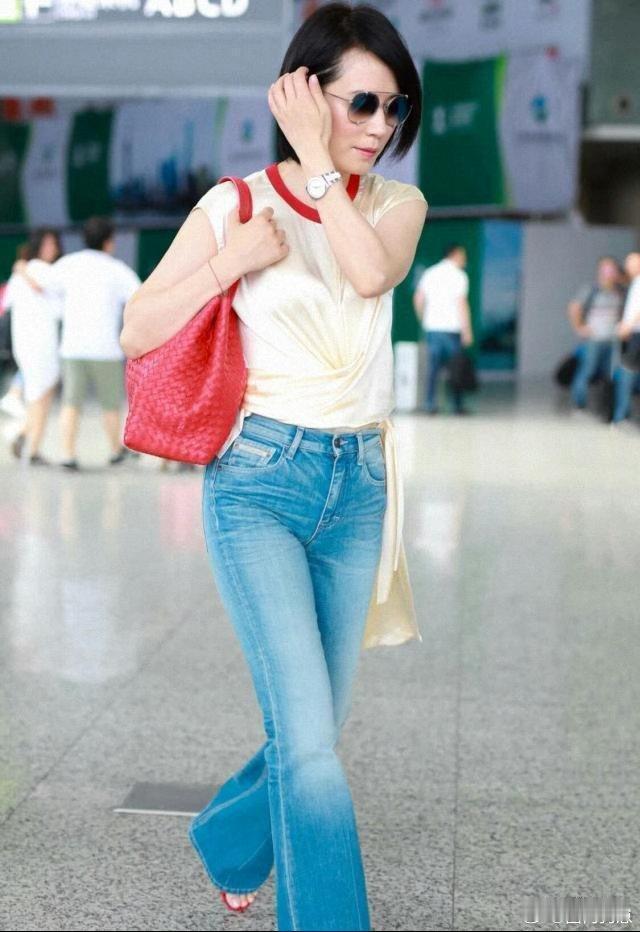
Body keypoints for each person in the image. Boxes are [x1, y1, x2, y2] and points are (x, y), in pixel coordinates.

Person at [120, 4, 427, 929]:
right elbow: (137, 327)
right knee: (310, 745)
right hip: (259, 482)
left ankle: (230, 840)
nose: (380, 125)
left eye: (394, 107)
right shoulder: (236, 205)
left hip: (358, 485)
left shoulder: (394, 206)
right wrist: (231, 263)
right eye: (361, 102)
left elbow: (369, 275)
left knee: (316, 726)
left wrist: (324, 173)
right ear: (303, 93)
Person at [20, 217, 141, 470]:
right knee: (110, 404)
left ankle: (68, 454)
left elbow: (41, 281)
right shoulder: (117, 269)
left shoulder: (69, 264)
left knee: (70, 404)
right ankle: (115, 450)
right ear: (108, 242)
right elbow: (138, 296)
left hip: (73, 347)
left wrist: (21, 268)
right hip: (105, 349)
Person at [4, 229, 63, 465]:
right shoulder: (46, 272)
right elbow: (60, 307)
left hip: (28, 343)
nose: (52, 248)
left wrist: (22, 271)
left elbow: (8, 303)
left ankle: (26, 437)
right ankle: (31, 447)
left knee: (40, 395)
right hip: (40, 343)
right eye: (48, 244)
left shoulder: (22, 273)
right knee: (41, 396)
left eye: (54, 243)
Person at [413, 243, 473, 415]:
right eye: (462, 255)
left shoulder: (430, 273)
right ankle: (457, 406)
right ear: (454, 255)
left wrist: (424, 320)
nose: (465, 259)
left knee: (432, 369)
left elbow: (418, 298)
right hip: (452, 329)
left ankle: (430, 405)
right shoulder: (459, 276)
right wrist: (467, 330)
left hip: (432, 328)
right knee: (456, 368)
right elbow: (461, 303)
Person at [567, 256, 626, 411]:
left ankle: (602, 404)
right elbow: (574, 307)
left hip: (612, 339)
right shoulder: (591, 289)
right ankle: (579, 403)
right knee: (588, 370)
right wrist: (579, 327)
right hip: (594, 339)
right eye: (606, 269)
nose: (609, 272)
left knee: (608, 373)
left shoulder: (620, 291)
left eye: (612, 269)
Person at [612, 251, 640, 423]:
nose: (629, 267)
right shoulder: (634, 283)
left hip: (636, 333)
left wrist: (628, 326)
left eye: (633, 263)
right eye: (628, 263)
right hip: (632, 333)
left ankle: (622, 416)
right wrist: (624, 324)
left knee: (627, 374)